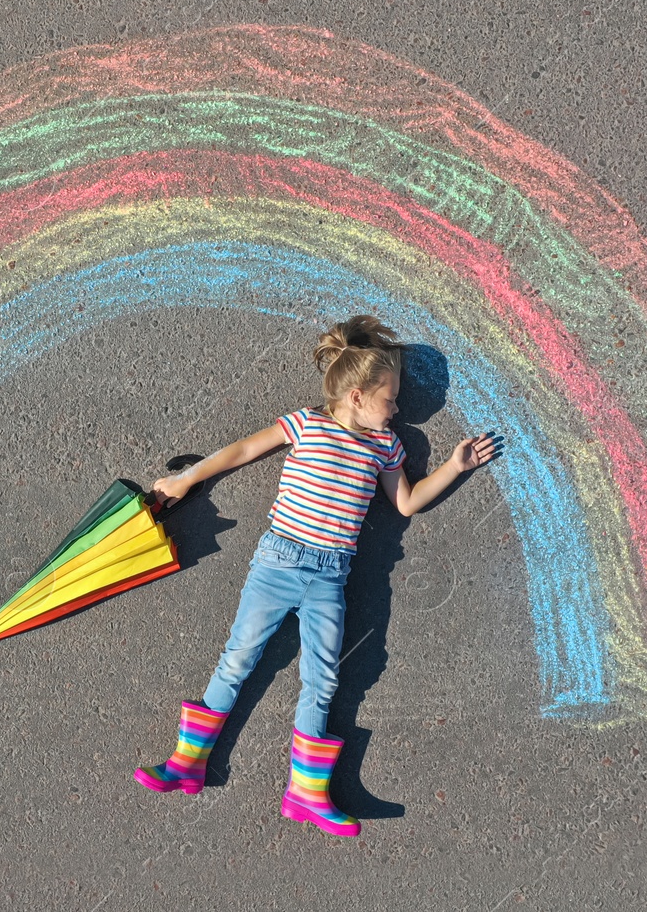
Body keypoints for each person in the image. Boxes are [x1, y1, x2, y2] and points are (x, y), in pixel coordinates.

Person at [134, 315, 504, 837]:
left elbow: (406, 503)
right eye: (390, 398)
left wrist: (452, 466)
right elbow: (243, 450)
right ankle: (186, 763)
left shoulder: (386, 447)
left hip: (330, 576)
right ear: (356, 395)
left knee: (323, 678)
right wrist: (185, 477)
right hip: (278, 563)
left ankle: (306, 792)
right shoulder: (308, 423)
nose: (396, 409)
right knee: (238, 659)